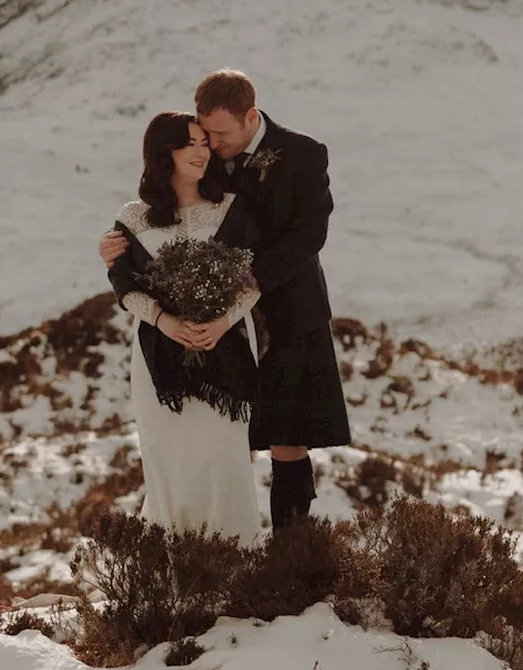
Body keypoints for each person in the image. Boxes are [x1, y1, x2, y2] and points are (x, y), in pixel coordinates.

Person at [101, 69, 351, 529]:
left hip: (288, 311)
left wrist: (246, 280)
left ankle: (292, 553)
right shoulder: (206, 151)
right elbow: (167, 208)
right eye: (203, 133)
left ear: (250, 117)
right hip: (219, 323)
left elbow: (310, 233)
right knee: (213, 441)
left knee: (288, 436)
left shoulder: (303, 154)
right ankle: (207, 543)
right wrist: (116, 248)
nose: (209, 145)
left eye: (217, 133)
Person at [105, 111, 264, 544]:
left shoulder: (231, 209)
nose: (200, 151)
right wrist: (166, 321)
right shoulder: (133, 219)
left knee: (222, 456)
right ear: (164, 153)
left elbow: (253, 281)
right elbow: (123, 285)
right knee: (169, 457)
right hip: (159, 354)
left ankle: (237, 560)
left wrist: (221, 323)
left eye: (203, 143)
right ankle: (173, 568)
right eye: (188, 143)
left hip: (226, 346)